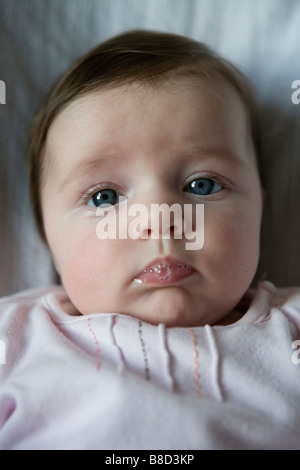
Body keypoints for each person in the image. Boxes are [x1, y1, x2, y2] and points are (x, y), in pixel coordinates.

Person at [0, 30, 299, 450]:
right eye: (104, 197)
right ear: (48, 235)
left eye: (203, 185)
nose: (159, 221)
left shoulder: (291, 330)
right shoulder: (16, 338)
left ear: (260, 210)